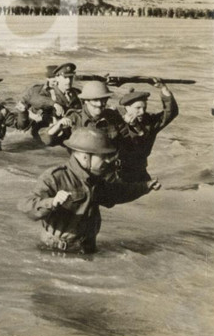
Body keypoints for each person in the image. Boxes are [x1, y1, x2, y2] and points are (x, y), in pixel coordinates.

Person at [19, 126, 160, 253]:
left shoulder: (96, 179)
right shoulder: (56, 177)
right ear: (85, 156)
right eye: (103, 157)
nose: (107, 161)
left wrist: (145, 187)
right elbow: (27, 206)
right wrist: (52, 202)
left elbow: (117, 193)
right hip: (55, 252)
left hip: (87, 250)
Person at [114, 81, 180, 182]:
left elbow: (171, 112)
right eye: (138, 108)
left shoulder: (149, 121)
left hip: (139, 171)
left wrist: (163, 88)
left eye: (144, 107)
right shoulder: (116, 121)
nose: (142, 112)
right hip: (118, 172)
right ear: (127, 108)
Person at [42, 79, 123, 148]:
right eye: (95, 100)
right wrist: (57, 126)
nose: (99, 104)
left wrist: (133, 124)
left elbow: (128, 141)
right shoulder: (75, 119)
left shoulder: (113, 116)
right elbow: (48, 141)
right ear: (86, 101)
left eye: (103, 100)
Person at [13, 63, 80, 140]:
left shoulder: (76, 93)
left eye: (70, 77)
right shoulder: (43, 91)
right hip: (45, 130)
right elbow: (35, 99)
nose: (68, 81)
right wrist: (54, 104)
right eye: (65, 77)